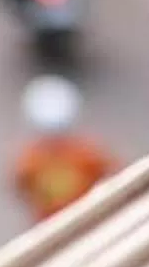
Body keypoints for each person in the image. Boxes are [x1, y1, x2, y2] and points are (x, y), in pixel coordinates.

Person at [11, 76, 118, 222]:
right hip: (53, 224)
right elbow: (20, 184)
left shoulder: (86, 155)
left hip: (82, 219)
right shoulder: (30, 161)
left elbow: (111, 174)